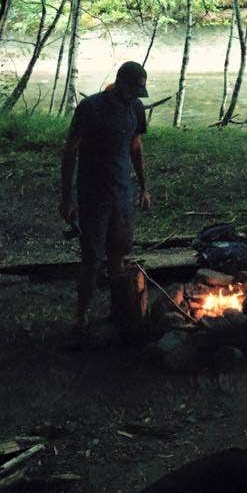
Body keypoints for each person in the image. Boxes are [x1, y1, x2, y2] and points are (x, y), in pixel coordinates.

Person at [60, 61, 151, 329]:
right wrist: (67, 197)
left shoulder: (135, 108)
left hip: (121, 194)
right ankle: (81, 319)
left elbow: (135, 146)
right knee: (91, 260)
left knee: (118, 257)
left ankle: (118, 313)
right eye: (134, 89)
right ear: (121, 83)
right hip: (93, 194)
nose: (137, 95)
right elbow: (70, 151)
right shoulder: (91, 108)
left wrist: (144, 187)